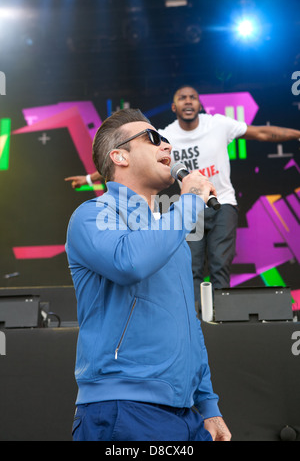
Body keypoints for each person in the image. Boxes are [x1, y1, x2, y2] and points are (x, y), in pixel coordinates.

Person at [65, 108, 231, 442]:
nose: (167, 145)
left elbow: (189, 323)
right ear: (120, 156)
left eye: (167, 139)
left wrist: (208, 404)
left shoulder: (170, 234)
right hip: (122, 408)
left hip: (186, 415)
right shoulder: (93, 215)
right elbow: (129, 262)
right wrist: (191, 198)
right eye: (154, 138)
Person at [66, 87, 300, 311]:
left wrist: (297, 134)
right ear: (174, 106)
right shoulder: (165, 135)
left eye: (192, 97)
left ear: (200, 104)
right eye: (182, 97)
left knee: (220, 262)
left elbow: (261, 132)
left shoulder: (218, 124)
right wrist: (88, 178)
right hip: (190, 207)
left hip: (221, 202)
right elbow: (125, 159)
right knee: (192, 265)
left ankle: (223, 316)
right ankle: (198, 314)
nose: (188, 101)